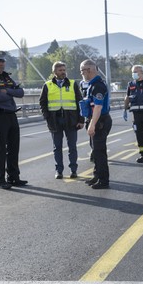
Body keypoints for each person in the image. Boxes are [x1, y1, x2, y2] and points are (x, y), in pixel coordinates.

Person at [0, 51, 27, 190]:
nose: (1, 64)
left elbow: (21, 93)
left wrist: (7, 91)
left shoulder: (7, 78)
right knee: (1, 149)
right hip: (0, 117)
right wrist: (11, 92)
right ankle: (0, 180)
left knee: (14, 148)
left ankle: (14, 177)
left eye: (2, 61)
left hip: (11, 115)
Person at [40, 61, 84, 179]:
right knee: (57, 147)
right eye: (60, 70)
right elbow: (42, 103)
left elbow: (80, 102)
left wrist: (81, 120)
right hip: (55, 121)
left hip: (71, 120)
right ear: (54, 72)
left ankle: (73, 170)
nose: (63, 72)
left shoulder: (73, 84)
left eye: (64, 70)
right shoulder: (47, 85)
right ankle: (59, 171)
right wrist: (47, 117)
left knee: (72, 147)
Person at [79, 59, 112, 189]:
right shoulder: (91, 85)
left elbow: (98, 108)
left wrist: (92, 125)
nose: (81, 73)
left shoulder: (98, 86)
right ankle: (97, 175)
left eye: (82, 70)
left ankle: (104, 180)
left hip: (100, 121)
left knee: (99, 152)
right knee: (95, 151)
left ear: (89, 70)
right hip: (95, 120)